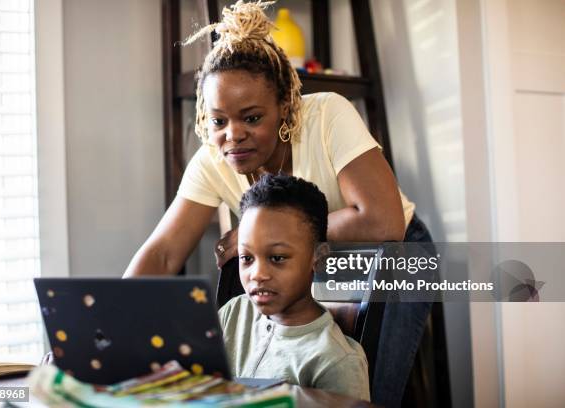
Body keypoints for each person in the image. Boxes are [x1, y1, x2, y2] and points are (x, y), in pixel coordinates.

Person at [124, 2, 432, 406]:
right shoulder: (213, 159)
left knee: (361, 390)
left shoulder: (327, 116)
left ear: (284, 106)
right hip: (304, 262)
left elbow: (382, 220)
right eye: (218, 121)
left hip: (393, 253)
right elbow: (163, 254)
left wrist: (267, 235)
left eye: (251, 118)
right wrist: (109, 328)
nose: (233, 135)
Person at [219, 174, 370, 400]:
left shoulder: (336, 361)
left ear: (318, 259)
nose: (257, 274)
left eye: (277, 258)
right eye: (246, 258)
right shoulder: (233, 313)